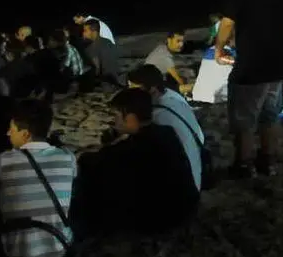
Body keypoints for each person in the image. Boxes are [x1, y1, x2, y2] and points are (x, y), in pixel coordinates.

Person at [214, 0, 283, 179]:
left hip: (251, 65)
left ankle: (244, 165)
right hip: (278, 63)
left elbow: (228, 22)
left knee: (245, 119)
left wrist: (219, 47)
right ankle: (268, 162)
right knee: (270, 116)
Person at [73, 89, 198, 236]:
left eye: (116, 116)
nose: (113, 121)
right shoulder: (166, 132)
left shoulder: (133, 149)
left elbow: (91, 162)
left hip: (163, 219)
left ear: (131, 118)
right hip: (186, 208)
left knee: (89, 181)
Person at [0, 99, 76, 257]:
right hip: (60, 246)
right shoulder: (68, 158)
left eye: (11, 129)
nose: (7, 133)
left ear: (25, 134)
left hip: (18, 250)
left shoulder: (2, 160)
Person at [127, 65, 205, 191]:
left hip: (183, 188)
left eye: (134, 91)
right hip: (196, 173)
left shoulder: (157, 116)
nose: (130, 96)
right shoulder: (173, 96)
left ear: (152, 90)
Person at [144, 30, 193, 94]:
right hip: (151, 87)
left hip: (149, 78)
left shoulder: (161, 47)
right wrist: (186, 88)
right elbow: (178, 79)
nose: (181, 44)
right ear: (169, 40)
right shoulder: (166, 58)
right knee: (188, 86)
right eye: (178, 41)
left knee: (181, 78)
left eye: (182, 41)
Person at [81, 18, 121, 87]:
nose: (83, 33)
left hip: (104, 84)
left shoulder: (91, 48)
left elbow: (97, 70)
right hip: (116, 81)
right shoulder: (108, 42)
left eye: (85, 31)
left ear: (93, 31)